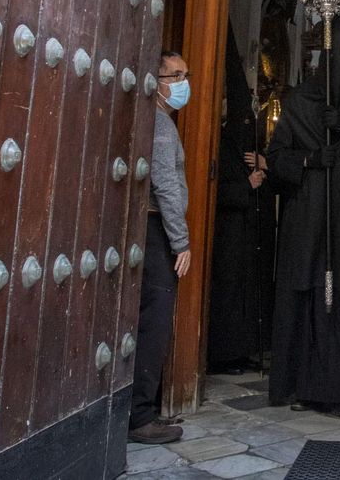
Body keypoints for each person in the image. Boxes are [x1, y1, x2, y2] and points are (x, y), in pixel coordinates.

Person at [264, 16, 340, 424]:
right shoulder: (299, 103)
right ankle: (302, 384)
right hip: (308, 217)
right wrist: (310, 159)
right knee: (308, 295)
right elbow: (275, 160)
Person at [129, 50, 194, 445]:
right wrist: (180, 240)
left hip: (152, 230)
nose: (184, 83)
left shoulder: (161, 121)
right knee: (154, 322)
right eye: (175, 76)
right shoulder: (159, 124)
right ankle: (140, 416)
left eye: (186, 75)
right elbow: (165, 186)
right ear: (155, 81)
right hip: (156, 233)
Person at [206, 29, 275, 374]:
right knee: (227, 293)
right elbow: (210, 188)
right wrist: (247, 185)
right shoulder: (211, 141)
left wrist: (262, 169)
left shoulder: (240, 143)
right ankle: (223, 353)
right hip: (227, 231)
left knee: (244, 292)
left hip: (246, 231)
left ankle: (242, 347)